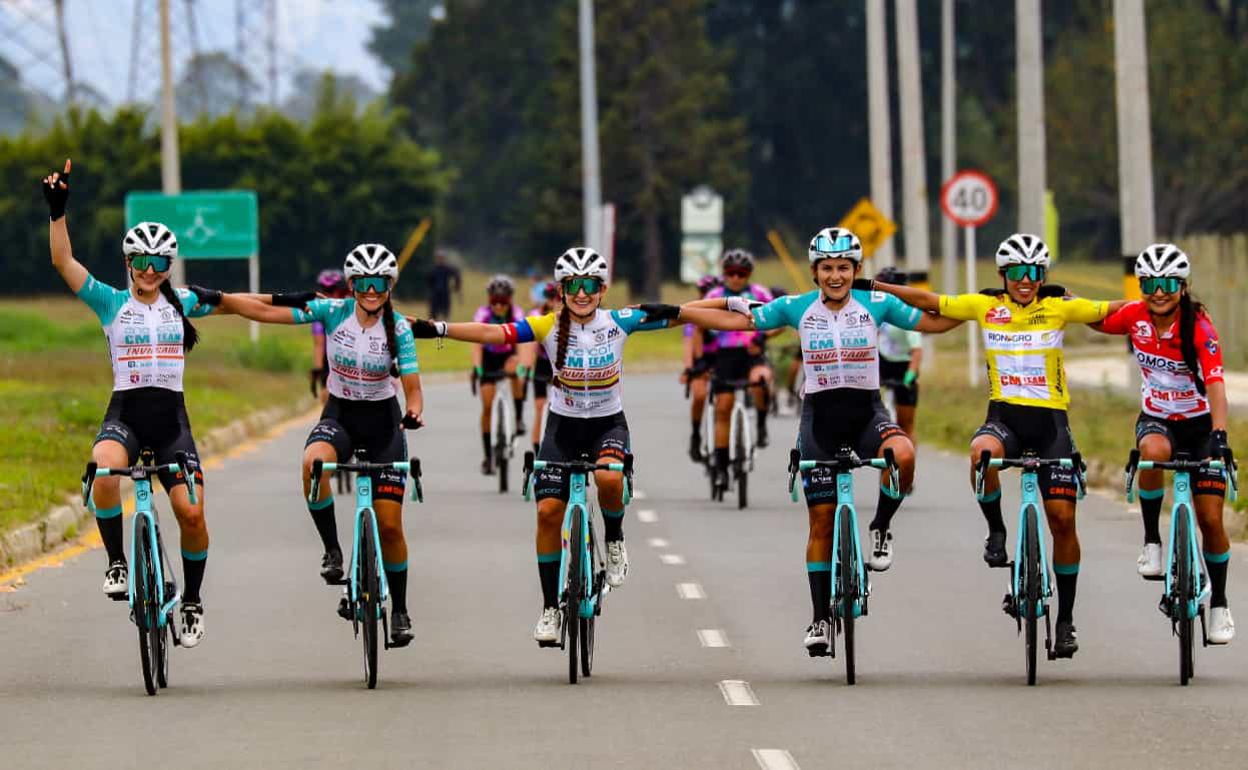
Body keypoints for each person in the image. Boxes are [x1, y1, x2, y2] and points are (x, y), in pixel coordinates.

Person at [675, 227, 962, 655]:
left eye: (843, 267)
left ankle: (881, 526)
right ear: (814, 271)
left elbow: (937, 319)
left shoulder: (876, 303)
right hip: (820, 420)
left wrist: (988, 307)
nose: (835, 275)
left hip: (867, 412)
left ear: (856, 269)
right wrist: (683, 312)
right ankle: (819, 620)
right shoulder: (795, 307)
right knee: (821, 522)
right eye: (827, 268)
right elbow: (737, 318)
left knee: (902, 455)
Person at [867, 232, 1127, 659]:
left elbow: (1113, 311)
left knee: (1062, 521)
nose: (1026, 280)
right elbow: (932, 301)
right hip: (1003, 419)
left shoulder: (1060, 306)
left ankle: (1065, 620)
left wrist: (1170, 302)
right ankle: (997, 530)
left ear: (1043, 275)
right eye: (1017, 273)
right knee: (981, 455)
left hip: (1051, 425)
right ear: (1003, 274)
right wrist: (878, 287)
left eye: (1035, 273)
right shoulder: (987, 306)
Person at [411, 247, 672, 645]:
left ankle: (615, 538)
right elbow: (494, 334)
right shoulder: (547, 325)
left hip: (607, 425)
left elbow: (686, 315)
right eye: (573, 286)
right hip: (562, 428)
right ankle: (551, 608)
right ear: (561, 289)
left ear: (602, 290)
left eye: (589, 285)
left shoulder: (621, 321)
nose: (581, 293)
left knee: (607, 476)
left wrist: (739, 311)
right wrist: (440, 329)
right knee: (549, 512)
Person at [42, 159, 220, 648]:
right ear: (128, 263)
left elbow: (240, 302)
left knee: (192, 515)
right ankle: (117, 562)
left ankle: (193, 601)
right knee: (102, 471)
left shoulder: (181, 302)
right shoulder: (110, 302)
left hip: (171, 426)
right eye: (140, 261)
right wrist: (58, 212)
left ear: (169, 266)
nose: (148, 269)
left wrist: (300, 305)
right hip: (125, 417)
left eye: (158, 262)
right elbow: (63, 263)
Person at [210, 244, 425, 647]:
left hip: (383, 425)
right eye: (364, 282)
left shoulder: (399, 329)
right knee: (313, 463)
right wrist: (224, 302)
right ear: (352, 285)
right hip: (340, 416)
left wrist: (413, 411)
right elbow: (267, 310)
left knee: (391, 524)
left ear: (390, 285)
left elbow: (413, 389)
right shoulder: (332, 312)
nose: (372, 290)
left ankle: (399, 609)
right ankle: (333, 551)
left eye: (380, 282)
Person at [1093, 243, 1235, 644]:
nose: (1159, 291)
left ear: (1183, 286)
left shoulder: (1199, 327)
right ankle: (1153, 540)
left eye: (1168, 283)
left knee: (1210, 519)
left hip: (1201, 424)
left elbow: (1216, 385)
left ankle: (1220, 604)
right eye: (1150, 283)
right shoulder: (1134, 316)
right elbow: (1095, 318)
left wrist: (1220, 435)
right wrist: (1065, 303)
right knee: (1152, 456)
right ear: (1140, 286)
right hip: (1157, 420)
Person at [703, 249, 775, 487]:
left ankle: (762, 422)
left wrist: (763, 338)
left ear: (749, 274)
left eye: (741, 273)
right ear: (724, 274)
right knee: (723, 407)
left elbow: (781, 321)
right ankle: (721, 466)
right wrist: (699, 359)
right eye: (730, 273)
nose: (735, 278)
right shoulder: (714, 295)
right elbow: (695, 325)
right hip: (724, 356)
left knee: (762, 380)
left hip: (752, 353)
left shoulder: (760, 293)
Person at [472, 275, 531, 473]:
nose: (498, 306)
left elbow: (523, 343)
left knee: (515, 370)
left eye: (503, 302)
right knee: (487, 405)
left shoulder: (517, 313)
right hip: (489, 358)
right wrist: (477, 367)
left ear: (510, 300)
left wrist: (522, 365)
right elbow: (477, 344)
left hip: (508, 355)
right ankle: (488, 457)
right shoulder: (482, 314)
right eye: (494, 302)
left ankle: (518, 418)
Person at [874, 266, 922, 440]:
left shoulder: (906, 314)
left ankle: (906, 463)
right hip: (882, 363)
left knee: (905, 426)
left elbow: (917, 350)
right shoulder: (878, 310)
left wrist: (910, 374)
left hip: (904, 366)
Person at [683, 274, 721, 462]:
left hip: (723, 358)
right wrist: (690, 368)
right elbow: (688, 346)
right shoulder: (693, 318)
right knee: (699, 395)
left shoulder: (728, 313)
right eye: (703, 292)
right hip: (702, 360)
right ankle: (696, 434)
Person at [523, 281, 561, 455]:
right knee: (539, 407)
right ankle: (538, 451)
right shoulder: (536, 315)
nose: (555, 302)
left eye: (558, 298)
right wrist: (526, 367)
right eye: (551, 298)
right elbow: (529, 346)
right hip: (542, 361)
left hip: (560, 363)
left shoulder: (567, 315)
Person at [310, 268, 351, 403]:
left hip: (352, 361)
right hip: (330, 362)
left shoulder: (353, 308)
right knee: (327, 398)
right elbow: (319, 345)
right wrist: (317, 371)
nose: (328, 295)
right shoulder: (320, 313)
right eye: (325, 290)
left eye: (332, 290)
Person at [427, 250, 461, 320]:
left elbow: (457, 275)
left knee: (445, 314)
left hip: (445, 294)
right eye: (439, 258)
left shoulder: (447, 268)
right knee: (433, 315)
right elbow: (429, 281)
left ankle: (444, 328)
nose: (440, 260)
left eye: (442, 258)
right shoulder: (433, 269)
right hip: (435, 294)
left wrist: (456, 287)